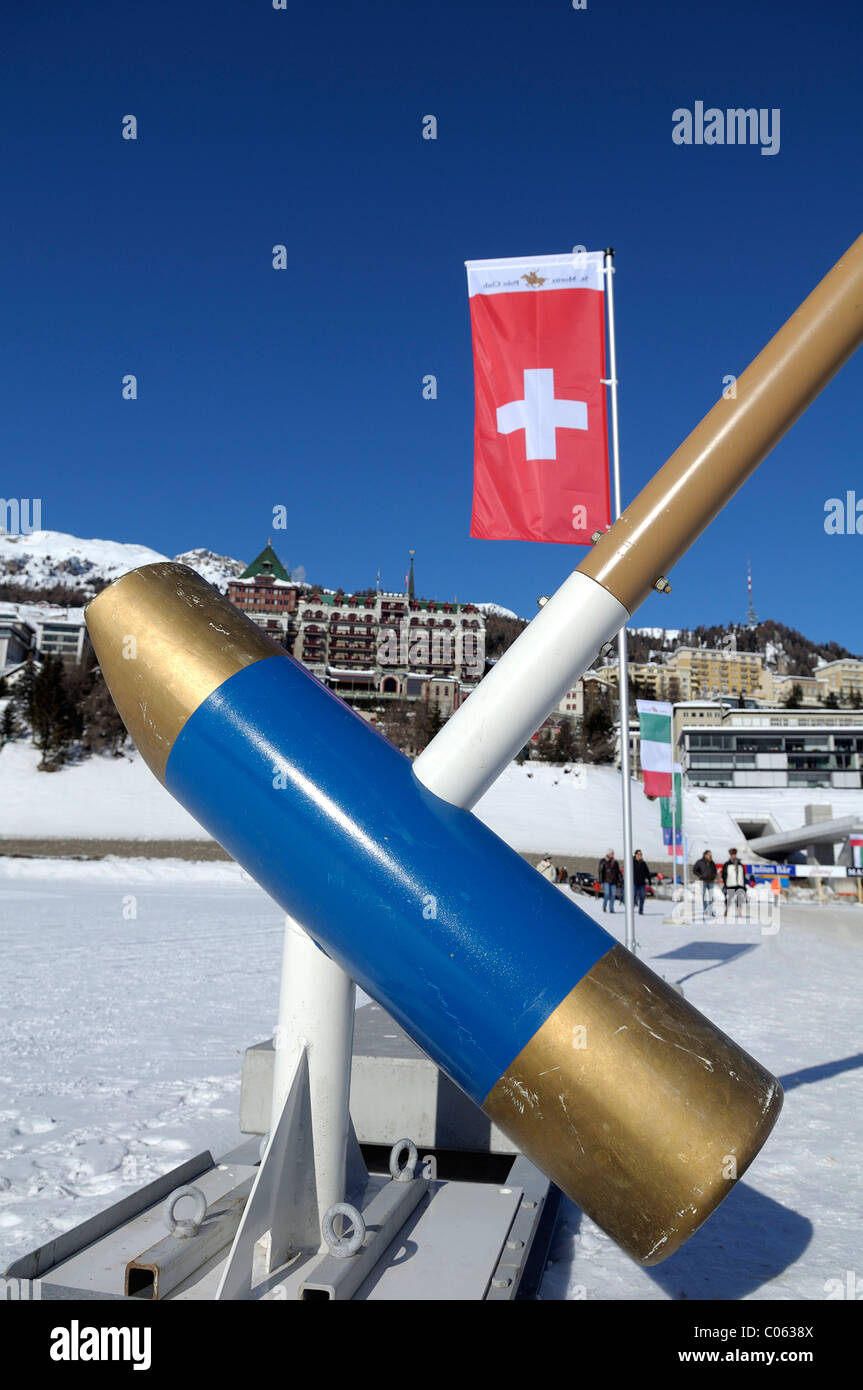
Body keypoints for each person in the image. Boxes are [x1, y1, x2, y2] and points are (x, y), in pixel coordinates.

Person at [721, 848, 747, 919]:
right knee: (729, 898)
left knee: (740, 898)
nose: (734, 856)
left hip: (739, 884)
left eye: (734, 854)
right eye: (732, 854)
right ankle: (726, 910)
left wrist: (744, 884)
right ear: (730, 855)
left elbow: (743, 875)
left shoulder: (740, 864)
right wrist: (725, 883)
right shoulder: (727, 864)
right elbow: (724, 874)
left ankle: (739, 912)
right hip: (730, 884)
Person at [693, 849, 717, 918]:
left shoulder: (712, 863)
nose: (710, 856)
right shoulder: (700, 862)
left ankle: (710, 910)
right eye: (709, 855)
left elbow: (715, 870)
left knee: (711, 897)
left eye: (711, 855)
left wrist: (714, 876)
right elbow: (694, 870)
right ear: (705, 855)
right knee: (704, 896)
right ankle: (705, 910)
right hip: (703, 881)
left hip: (711, 881)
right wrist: (700, 876)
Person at [632, 850, 653, 915]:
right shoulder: (631, 862)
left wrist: (649, 881)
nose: (640, 855)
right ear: (635, 855)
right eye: (639, 854)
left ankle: (640, 910)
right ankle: (631, 908)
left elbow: (647, 873)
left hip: (642, 883)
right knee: (634, 896)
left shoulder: (643, 863)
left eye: (641, 854)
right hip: (634, 883)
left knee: (642, 897)